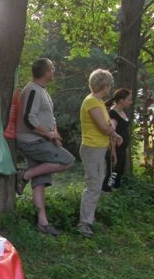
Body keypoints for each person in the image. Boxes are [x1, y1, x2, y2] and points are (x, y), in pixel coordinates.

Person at [15, 58, 75, 236]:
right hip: (31, 140)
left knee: (40, 181)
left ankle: (43, 223)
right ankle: (24, 175)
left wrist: (54, 134)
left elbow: (50, 119)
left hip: (41, 139)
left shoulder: (42, 91)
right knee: (68, 161)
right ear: (46, 71)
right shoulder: (32, 90)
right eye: (52, 68)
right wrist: (48, 134)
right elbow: (28, 118)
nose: (54, 71)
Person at [77, 69, 123, 238]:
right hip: (92, 149)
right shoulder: (92, 102)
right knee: (93, 186)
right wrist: (112, 131)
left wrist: (114, 134)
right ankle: (84, 224)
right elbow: (104, 127)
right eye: (109, 84)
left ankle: (89, 219)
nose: (110, 87)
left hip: (98, 149)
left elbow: (107, 125)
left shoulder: (98, 102)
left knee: (95, 185)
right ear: (104, 84)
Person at [102, 88, 133, 191]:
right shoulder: (112, 114)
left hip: (122, 149)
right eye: (128, 99)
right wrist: (113, 153)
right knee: (112, 174)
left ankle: (115, 192)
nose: (130, 102)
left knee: (119, 172)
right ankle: (107, 192)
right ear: (121, 100)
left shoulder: (122, 111)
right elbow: (111, 135)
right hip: (115, 150)